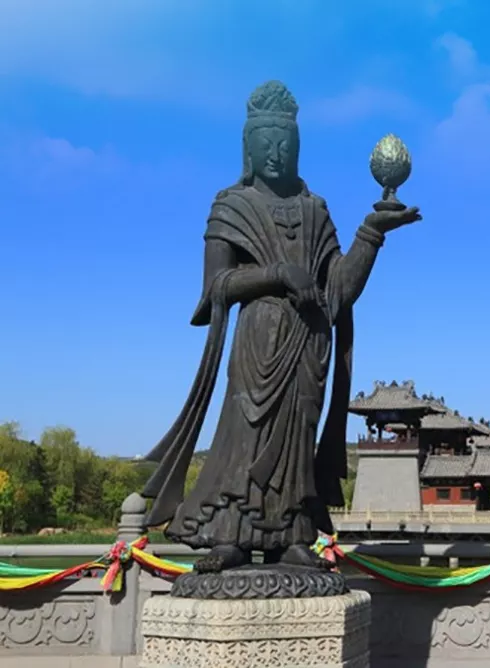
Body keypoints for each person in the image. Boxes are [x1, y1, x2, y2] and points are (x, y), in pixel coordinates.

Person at [140, 81, 422, 573]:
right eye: (265, 144)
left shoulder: (315, 209)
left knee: (297, 440)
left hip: (309, 345)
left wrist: (371, 234)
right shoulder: (231, 204)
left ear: (298, 148)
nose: (275, 154)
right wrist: (276, 274)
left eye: (285, 144)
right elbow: (216, 286)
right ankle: (229, 534)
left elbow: (338, 289)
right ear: (248, 149)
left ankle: (292, 534)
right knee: (244, 434)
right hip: (258, 343)